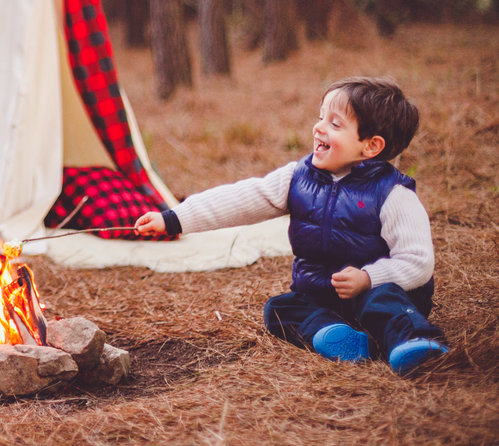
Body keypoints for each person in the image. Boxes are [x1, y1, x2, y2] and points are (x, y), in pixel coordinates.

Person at [136, 77, 448, 376]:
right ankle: (337, 335)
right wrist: (175, 219)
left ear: (371, 146)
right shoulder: (297, 179)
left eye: (334, 124)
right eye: (321, 117)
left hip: (383, 292)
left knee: (381, 300)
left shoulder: (393, 195)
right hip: (323, 297)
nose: (319, 127)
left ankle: (412, 341)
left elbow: (418, 263)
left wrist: (368, 278)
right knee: (280, 309)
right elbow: (240, 199)